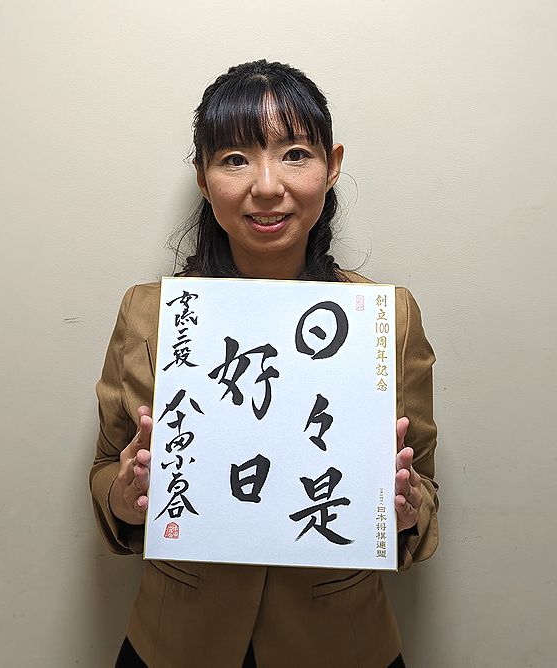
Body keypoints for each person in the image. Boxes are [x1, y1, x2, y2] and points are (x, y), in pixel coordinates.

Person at [90, 59, 439, 668]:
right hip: (176, 642)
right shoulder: (149, 314)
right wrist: (126, 495)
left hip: (341, 645)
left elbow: (425, 488)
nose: (268, 185)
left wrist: (405, 509)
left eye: (295, 154)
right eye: (235, 159)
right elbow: (105, 471)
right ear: (203, 178)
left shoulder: (388, 318)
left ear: (332, 166)